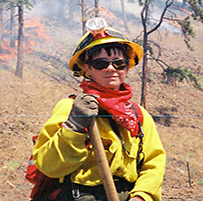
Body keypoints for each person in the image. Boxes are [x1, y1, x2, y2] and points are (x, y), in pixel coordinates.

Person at [32, 17, 166, 201]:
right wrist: (73, 126)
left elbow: (153, 163)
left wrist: (142, 197)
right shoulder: (70, 108)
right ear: (87, 69)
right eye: (101, 63)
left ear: (127, 68)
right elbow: (48, 165)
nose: (111, 69)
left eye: (118, 63)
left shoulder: (138, 114)